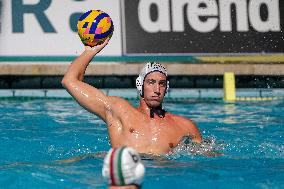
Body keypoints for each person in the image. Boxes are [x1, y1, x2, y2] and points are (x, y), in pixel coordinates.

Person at [61, 38, 202, 155]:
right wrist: (90, 52)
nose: (157, 89)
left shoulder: (185, 126)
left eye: (162, 84)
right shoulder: (119, 111)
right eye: (151, 82)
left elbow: (204, 159)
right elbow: (70, 81)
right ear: (140, 85)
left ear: (167, 88)